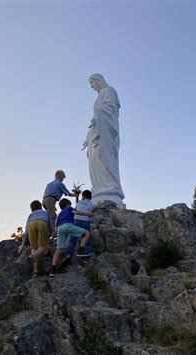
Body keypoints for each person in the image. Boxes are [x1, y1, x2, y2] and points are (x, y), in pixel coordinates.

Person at [82, 74, 125, 208]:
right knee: (95, 158)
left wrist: (98, 116)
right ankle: (99, 189)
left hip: (106, 131)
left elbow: (110, 109)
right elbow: (96, 116)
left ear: (98, 81)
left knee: (103, 156)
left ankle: (110, 188)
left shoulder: (109, 91)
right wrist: (88, 137)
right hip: (96, 131)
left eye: (92, 83)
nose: (92, 86)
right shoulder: (99, 96)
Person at [49, 199, 91, 277]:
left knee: (59, 250)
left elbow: (56, 223)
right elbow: (77, 213)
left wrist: (54, 233)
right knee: (87, 233)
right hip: (67, 225)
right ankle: (80, 251)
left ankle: (53, 270)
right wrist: (87, 214)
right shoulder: (69, 209)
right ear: (67, 204)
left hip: (59, 228)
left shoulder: (60, 214)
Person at [18, 200, 52, 277]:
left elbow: (26, 229)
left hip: (31, 225)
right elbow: (50, 225)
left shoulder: (31, 215)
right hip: (42, 223)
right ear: (40, 207)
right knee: (44, 246)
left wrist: (22, 244)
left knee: (34, 248)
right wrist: (49, 235)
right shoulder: (45, 213)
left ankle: (35, 271)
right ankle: (32, 256)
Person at [42, 170, 77, 237]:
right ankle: (53, 233)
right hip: (51, 200)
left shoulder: (49, 184)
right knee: (53, 217)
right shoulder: (60, 184)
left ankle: (48, 232)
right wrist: (76, 195)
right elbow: (68, 193)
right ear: (61, 177)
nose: (63, 180)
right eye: (63, 178)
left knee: (49, 216)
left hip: (44, 200)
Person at [68, 190, 94, 257]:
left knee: (73, 240)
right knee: (87, 240)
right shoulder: (92, 204)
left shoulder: (79, 202)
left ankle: (69, 255)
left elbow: (76, 210)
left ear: (83, 196)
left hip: (76, 221)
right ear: (91, 196)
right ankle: (86, 255)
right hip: (86, 221)